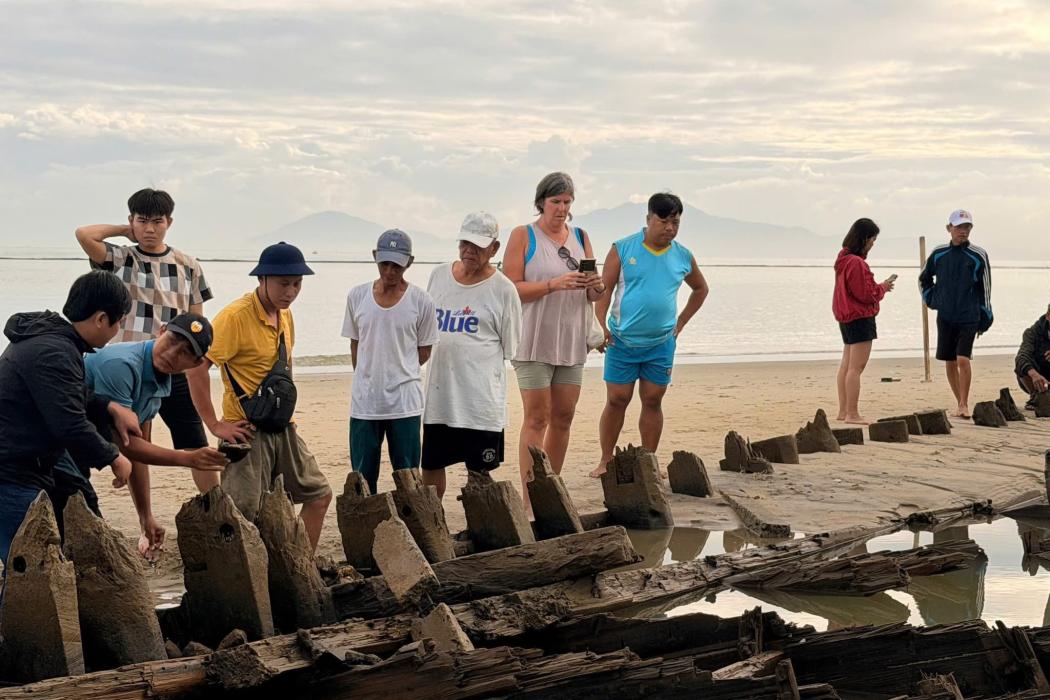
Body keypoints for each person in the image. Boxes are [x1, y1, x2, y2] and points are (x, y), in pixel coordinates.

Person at [186, 242, 331, 550]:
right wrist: (214, 424)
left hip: (283, 427)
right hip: (246, 429)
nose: (290, 291)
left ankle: (298, 564)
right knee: (243, 516)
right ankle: (245, 580)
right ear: (261, 279)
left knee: (319, 495)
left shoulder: (285, 315)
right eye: (283, 283)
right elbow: (196, 368)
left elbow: (283, 371)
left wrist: (286, 417)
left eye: (297, 284)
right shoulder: (235, 317)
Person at [49, 313, 228, 558]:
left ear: (196, 364)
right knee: (81, 524)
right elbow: (127, 445)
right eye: (173, 340)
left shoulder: (158, 378)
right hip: (48, 440)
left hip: (76, 446)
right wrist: (188, 459)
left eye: (186, 352)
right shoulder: (121, 365)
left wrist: (146, 518)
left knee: (78, 519)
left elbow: (139, 450)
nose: (172, 353)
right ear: (161, 331)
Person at [75, 188, 215, 491]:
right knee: (138, 441)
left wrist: (191, 366)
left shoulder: (188, 265)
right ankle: (145, 520)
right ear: (132, 221)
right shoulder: (121, 258)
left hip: (174, 361)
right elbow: (84, 235)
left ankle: (217, 506)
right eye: (143, 221)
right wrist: (128, 233)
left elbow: (197, 322)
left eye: (158, 222)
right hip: (131, 364)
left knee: (194, 439)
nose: (150, 229)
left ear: (170, 222)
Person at [0, 271, 140, 566]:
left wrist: (110, 408)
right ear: (101, 319)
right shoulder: (55, 352)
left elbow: (70, 394)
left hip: (24, 466)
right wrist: (114, 458)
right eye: (119, 321)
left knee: (36, 565)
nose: (117, 330)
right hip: (10, 473)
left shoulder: (52, 340)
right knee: (31, 570)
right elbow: (69, 424)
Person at [502, 172, 604, 508]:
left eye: (567, 202)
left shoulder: (581, 236)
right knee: (537, 417)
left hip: (571, 341)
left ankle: (551, 494)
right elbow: (510, 289)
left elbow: (593, 293)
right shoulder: (523, 236)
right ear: (541, 202)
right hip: (533, 341)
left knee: (563, 416)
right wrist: (553, 284)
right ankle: (531, 499)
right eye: (555, 202)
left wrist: (596, 285)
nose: (561, 209)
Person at [590, 193, 709, 478]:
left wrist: (680, 322)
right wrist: (600, 325)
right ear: (648, 219)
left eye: (676, 222)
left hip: (661, 343)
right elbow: (603, 291)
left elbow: (700, 289)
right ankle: (606, 460)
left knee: (653, 399)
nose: (670, 227)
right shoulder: (622, 248)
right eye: (664, 221)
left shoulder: (683, 255)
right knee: (618, 398)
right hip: (622, 340)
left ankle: (649, 461)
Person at [421, 213, 522, 499]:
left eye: (477, 246)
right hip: (439, 396)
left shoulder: (504, 290)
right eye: (464, 243)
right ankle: (431, 519)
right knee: (431, 464)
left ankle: (483, 528)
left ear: (494, 248)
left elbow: (511, 345)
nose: (469, 251)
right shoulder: (438, 276)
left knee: (479, 472)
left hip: (480, 402)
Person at [342, 229, 439, 496]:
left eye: (396, 264)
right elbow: (355, 343)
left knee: (409, 477)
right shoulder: (357, 296)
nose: (390, 270)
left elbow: (424, 350)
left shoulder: (422, 301)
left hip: (405, 403)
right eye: (384, 263)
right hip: (365, 404)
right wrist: (368, 376)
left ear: (409, 262)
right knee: (362, 478)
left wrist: (399, 371)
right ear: (375, 257)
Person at [919, 209, 993, 419]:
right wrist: (932, 299)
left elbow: (986, 288)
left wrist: (985, 315)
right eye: (959, 227)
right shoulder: (939, 253)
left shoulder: (978, 255)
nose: (963, 231)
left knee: (962, 359)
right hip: (946, 315)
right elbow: (923, 279)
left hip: (969, 314)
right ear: (949, 228)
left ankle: (964, 403)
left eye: (967, 227)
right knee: (950, 360)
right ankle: (958, 400)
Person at [832, 218, 896, 424]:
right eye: (873, 239)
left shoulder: (843, 258)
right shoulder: (856, 263)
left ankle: (843, 411)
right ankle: (852, 413)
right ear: (865, 238)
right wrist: (883, 287)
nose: (873, 244)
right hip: (859, 317)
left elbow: (858, 291)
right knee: (855, 368)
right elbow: (866, 294)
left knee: (846, 365)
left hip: (846, 316)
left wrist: (879, 287)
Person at [1015, 303, 1050, 409]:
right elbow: (1021, 357)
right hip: (1037, 379)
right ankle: (1035, 397)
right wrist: (1034, 374)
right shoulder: (1032, 333)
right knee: (1022, 362)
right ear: (1048, 316)